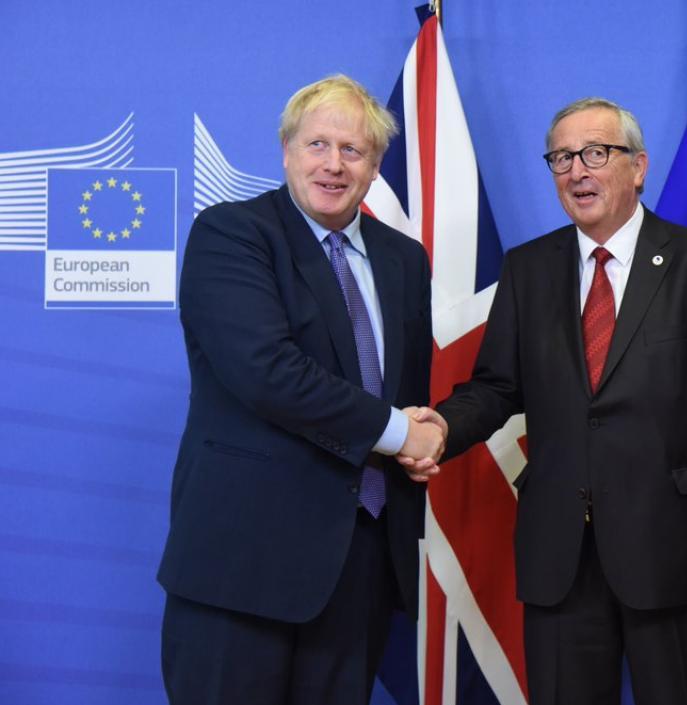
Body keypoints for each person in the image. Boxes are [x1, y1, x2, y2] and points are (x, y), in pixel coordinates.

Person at [410, 97, 687, 704]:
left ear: (637, 167)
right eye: (561, 158)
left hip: (674, 550)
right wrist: (441, 430)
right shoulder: (529, 269)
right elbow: (499, 387)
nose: (577, 170)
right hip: (561, 557)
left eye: (595, 153)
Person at [157, 74, 444, 705]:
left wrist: (427, 431)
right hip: (244, 564)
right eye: (318, 145)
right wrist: (403, 434)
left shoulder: (404, 258)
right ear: (287, 150)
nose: (333, 165)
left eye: (353, 151)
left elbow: (405, 385)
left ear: (375, 167)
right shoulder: (233, 234)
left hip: (361, 562)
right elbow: (267, 371)